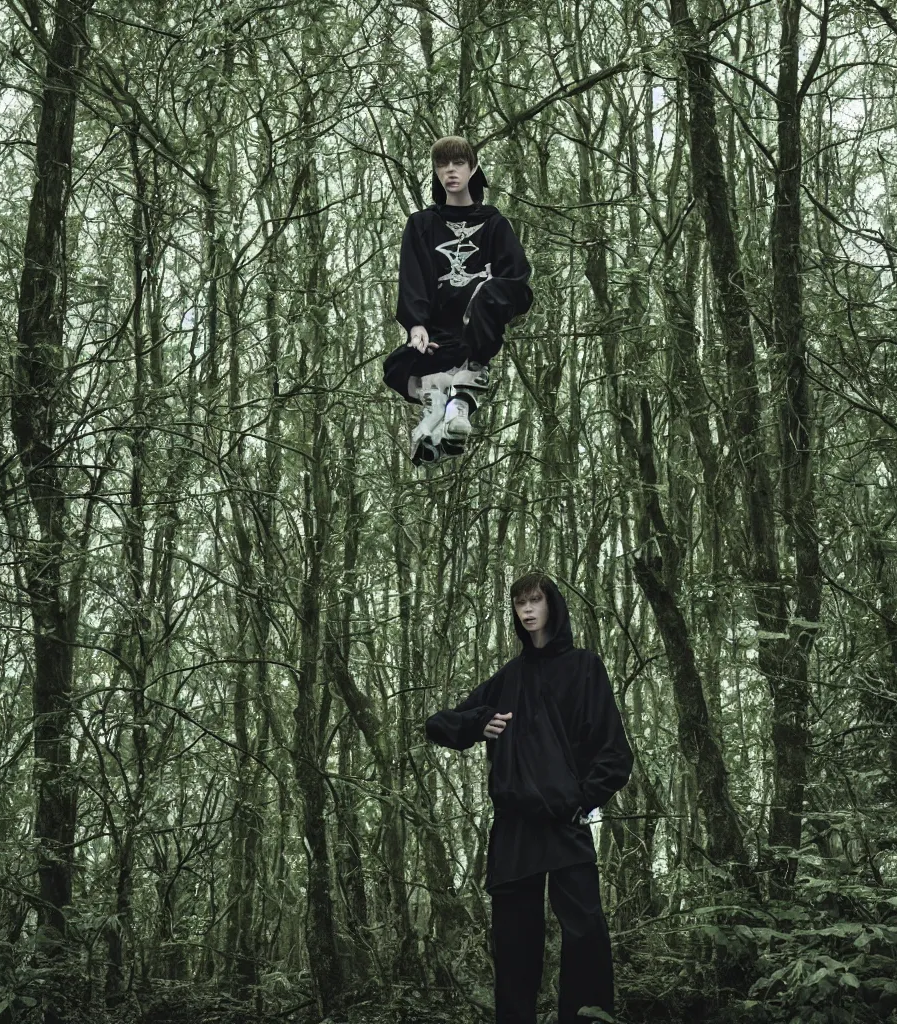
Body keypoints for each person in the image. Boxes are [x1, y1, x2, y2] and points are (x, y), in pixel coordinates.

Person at [425, 571, 633, 1024]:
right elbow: (439, 724)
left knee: (586, 935)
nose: (527, 609)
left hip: (565, 823)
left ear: (552, 605)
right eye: (520, 602)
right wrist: (478, 722)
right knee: (516, 945)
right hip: (515, 828)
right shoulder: (508, 679)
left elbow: (615, 753)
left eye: (535, 599)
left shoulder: (584, 667)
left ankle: (587, 1020)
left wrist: (583, 801)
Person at [383, 136, 533, 464]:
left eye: (458, 163)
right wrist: (416, 325)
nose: (450, 170)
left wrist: (489, 288)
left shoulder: (494, 224)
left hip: (478, 330)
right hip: (441, 333)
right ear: (436, 172)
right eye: (442, 164)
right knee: (397, 367)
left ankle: (460, 398)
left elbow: (518, 280)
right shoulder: (422, 224)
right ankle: (441, 409)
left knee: (490, 293)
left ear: (473, 168)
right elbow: (413, 277)